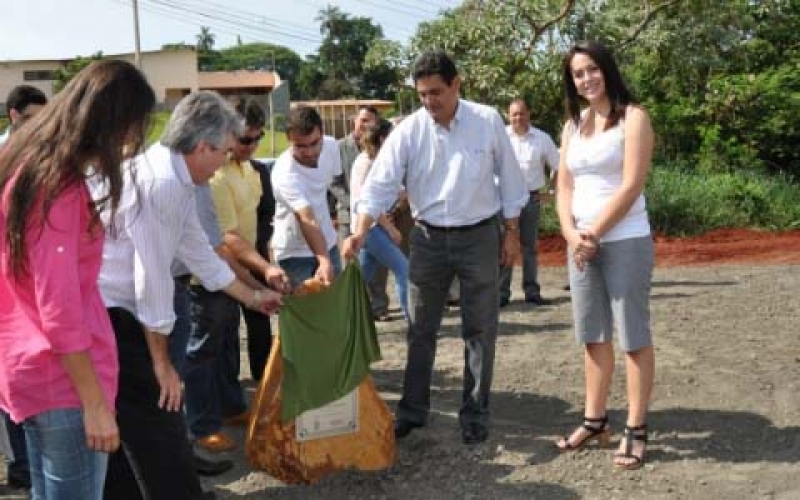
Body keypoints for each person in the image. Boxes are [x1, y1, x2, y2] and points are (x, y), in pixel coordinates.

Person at [95, 90, 283, 500]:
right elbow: (151, 281)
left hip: (126, 313)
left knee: (136, 425)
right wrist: (161, 362)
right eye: (223, 154)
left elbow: (198, 250)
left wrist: (252, 298)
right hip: (119, 316)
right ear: (201, 147)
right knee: (159, 417)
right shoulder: (162, 183)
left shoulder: (176, 177)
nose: (221, 166)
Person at [343, 50, 528, 445]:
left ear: (456, 84)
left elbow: (511, 182)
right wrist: (359, 231)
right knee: (420, 328)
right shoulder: (409, 130)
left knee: (479, 328)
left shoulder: (486, 121)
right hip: (426, 240)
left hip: (479, 236)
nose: (430, 101)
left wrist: (511, 233)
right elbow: (379, 185)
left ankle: (475, 412)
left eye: (437, 92)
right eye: (423, 94)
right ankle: (413, 411)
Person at [0, 60, 154, 499]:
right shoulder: (59, 190)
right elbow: (60, 307)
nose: (130, 140)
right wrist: (94, 404)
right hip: (62, 381)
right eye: (131, 126)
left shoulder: (23, 168)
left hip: (29, 366)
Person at [553, 41, 655, 471]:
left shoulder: (634, 118)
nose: (586, 79)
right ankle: (595, 420)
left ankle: (635, 428)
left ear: (607, 70)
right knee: (593, 335)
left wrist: (593, 232)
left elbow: (631, 184)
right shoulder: (572, 126)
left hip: (625, 238)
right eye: (578, 74)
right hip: (583, 245)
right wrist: (572, 234)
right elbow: (564, 187)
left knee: (632, 334)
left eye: (592, 69)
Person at [0, 84, 48, 492]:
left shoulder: (40, 160)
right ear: (14, 115)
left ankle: (27, 467)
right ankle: (19, 466)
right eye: (32, 119)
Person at [272, 105, 343, 287]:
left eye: (314, 143)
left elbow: (330, 186)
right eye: (300, 146)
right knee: (307, 310)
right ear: (288, 139)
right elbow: (306, 219)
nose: (310, 152)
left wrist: (333, 216)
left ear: (322, 133)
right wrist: (324, 261)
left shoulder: (331, 146)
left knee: (335, 304)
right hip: (294, 253)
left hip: (328, 242)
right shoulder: (284, 174)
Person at [499, 98, 560, 308]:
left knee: (530, 247)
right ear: (508, 116)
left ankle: (532, 291)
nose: (518, 118)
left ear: (529, 114)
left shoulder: (542, 139)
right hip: (505, 199)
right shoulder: (500, 137)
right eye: (514, 114)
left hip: (531, 198)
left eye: (521, 113)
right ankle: (501, 294)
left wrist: (551, 191)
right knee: (504, 246)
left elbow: (559, 166)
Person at [333, 105, 392, 320]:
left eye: (370, 121)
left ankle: (378, 306)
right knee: (351, 262)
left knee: (376, 266)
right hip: (348, 215)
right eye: (362, 120)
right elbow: (334, 182)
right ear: (354, 122)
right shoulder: (341, 147)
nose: (365, 125)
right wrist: (352, 203)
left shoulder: (381, 151)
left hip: (374, 217)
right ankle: (351, 306)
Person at [349, 119, 409, 321]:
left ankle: (345, 314)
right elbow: (367, 202)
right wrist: (390, 228)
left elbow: (400, 192)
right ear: (383, 138)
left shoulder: (379, 161)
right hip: (370, 228)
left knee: (361, 277)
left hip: (372, 229)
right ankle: (413, 319)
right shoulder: (365, 163)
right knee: (404, 269)